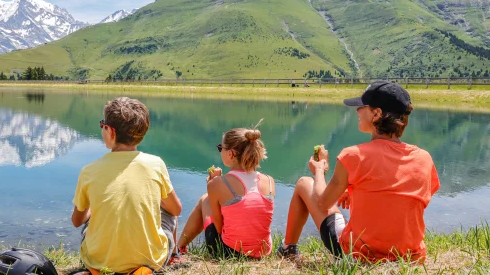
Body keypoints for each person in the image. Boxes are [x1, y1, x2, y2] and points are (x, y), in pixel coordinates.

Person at [278, 81, 440, 262]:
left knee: (303, 183)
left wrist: (319, 171)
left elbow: (323, 202)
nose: (357, 111)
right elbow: (396, 196)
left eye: (362, 107)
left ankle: (288, 248)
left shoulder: (353, 155)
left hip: (359, 256)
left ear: (377, 114)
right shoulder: (424, 158)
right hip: (411, 257)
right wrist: (354, 190)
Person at [70, 97, 183, 274]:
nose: (102, 130)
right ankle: (166, 259)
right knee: (169, 210)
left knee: (90, 221)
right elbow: (176, 209)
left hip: (98, 262)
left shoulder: (89, 171)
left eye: (103, 126)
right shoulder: (156, 164)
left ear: (111, 132)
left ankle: (96, 269)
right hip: (149, 260)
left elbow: (77, 221)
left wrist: (94, 207)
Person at [177, 120, 275, 259]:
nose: (220, 151)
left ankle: (178, 249)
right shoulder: (269, 180)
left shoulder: (217, 184)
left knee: (205, 199)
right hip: (263, 252)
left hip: (229, 254)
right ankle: (179, 248)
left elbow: (219, 227)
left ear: (231, 154)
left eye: (220, 148)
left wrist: (213, 186)